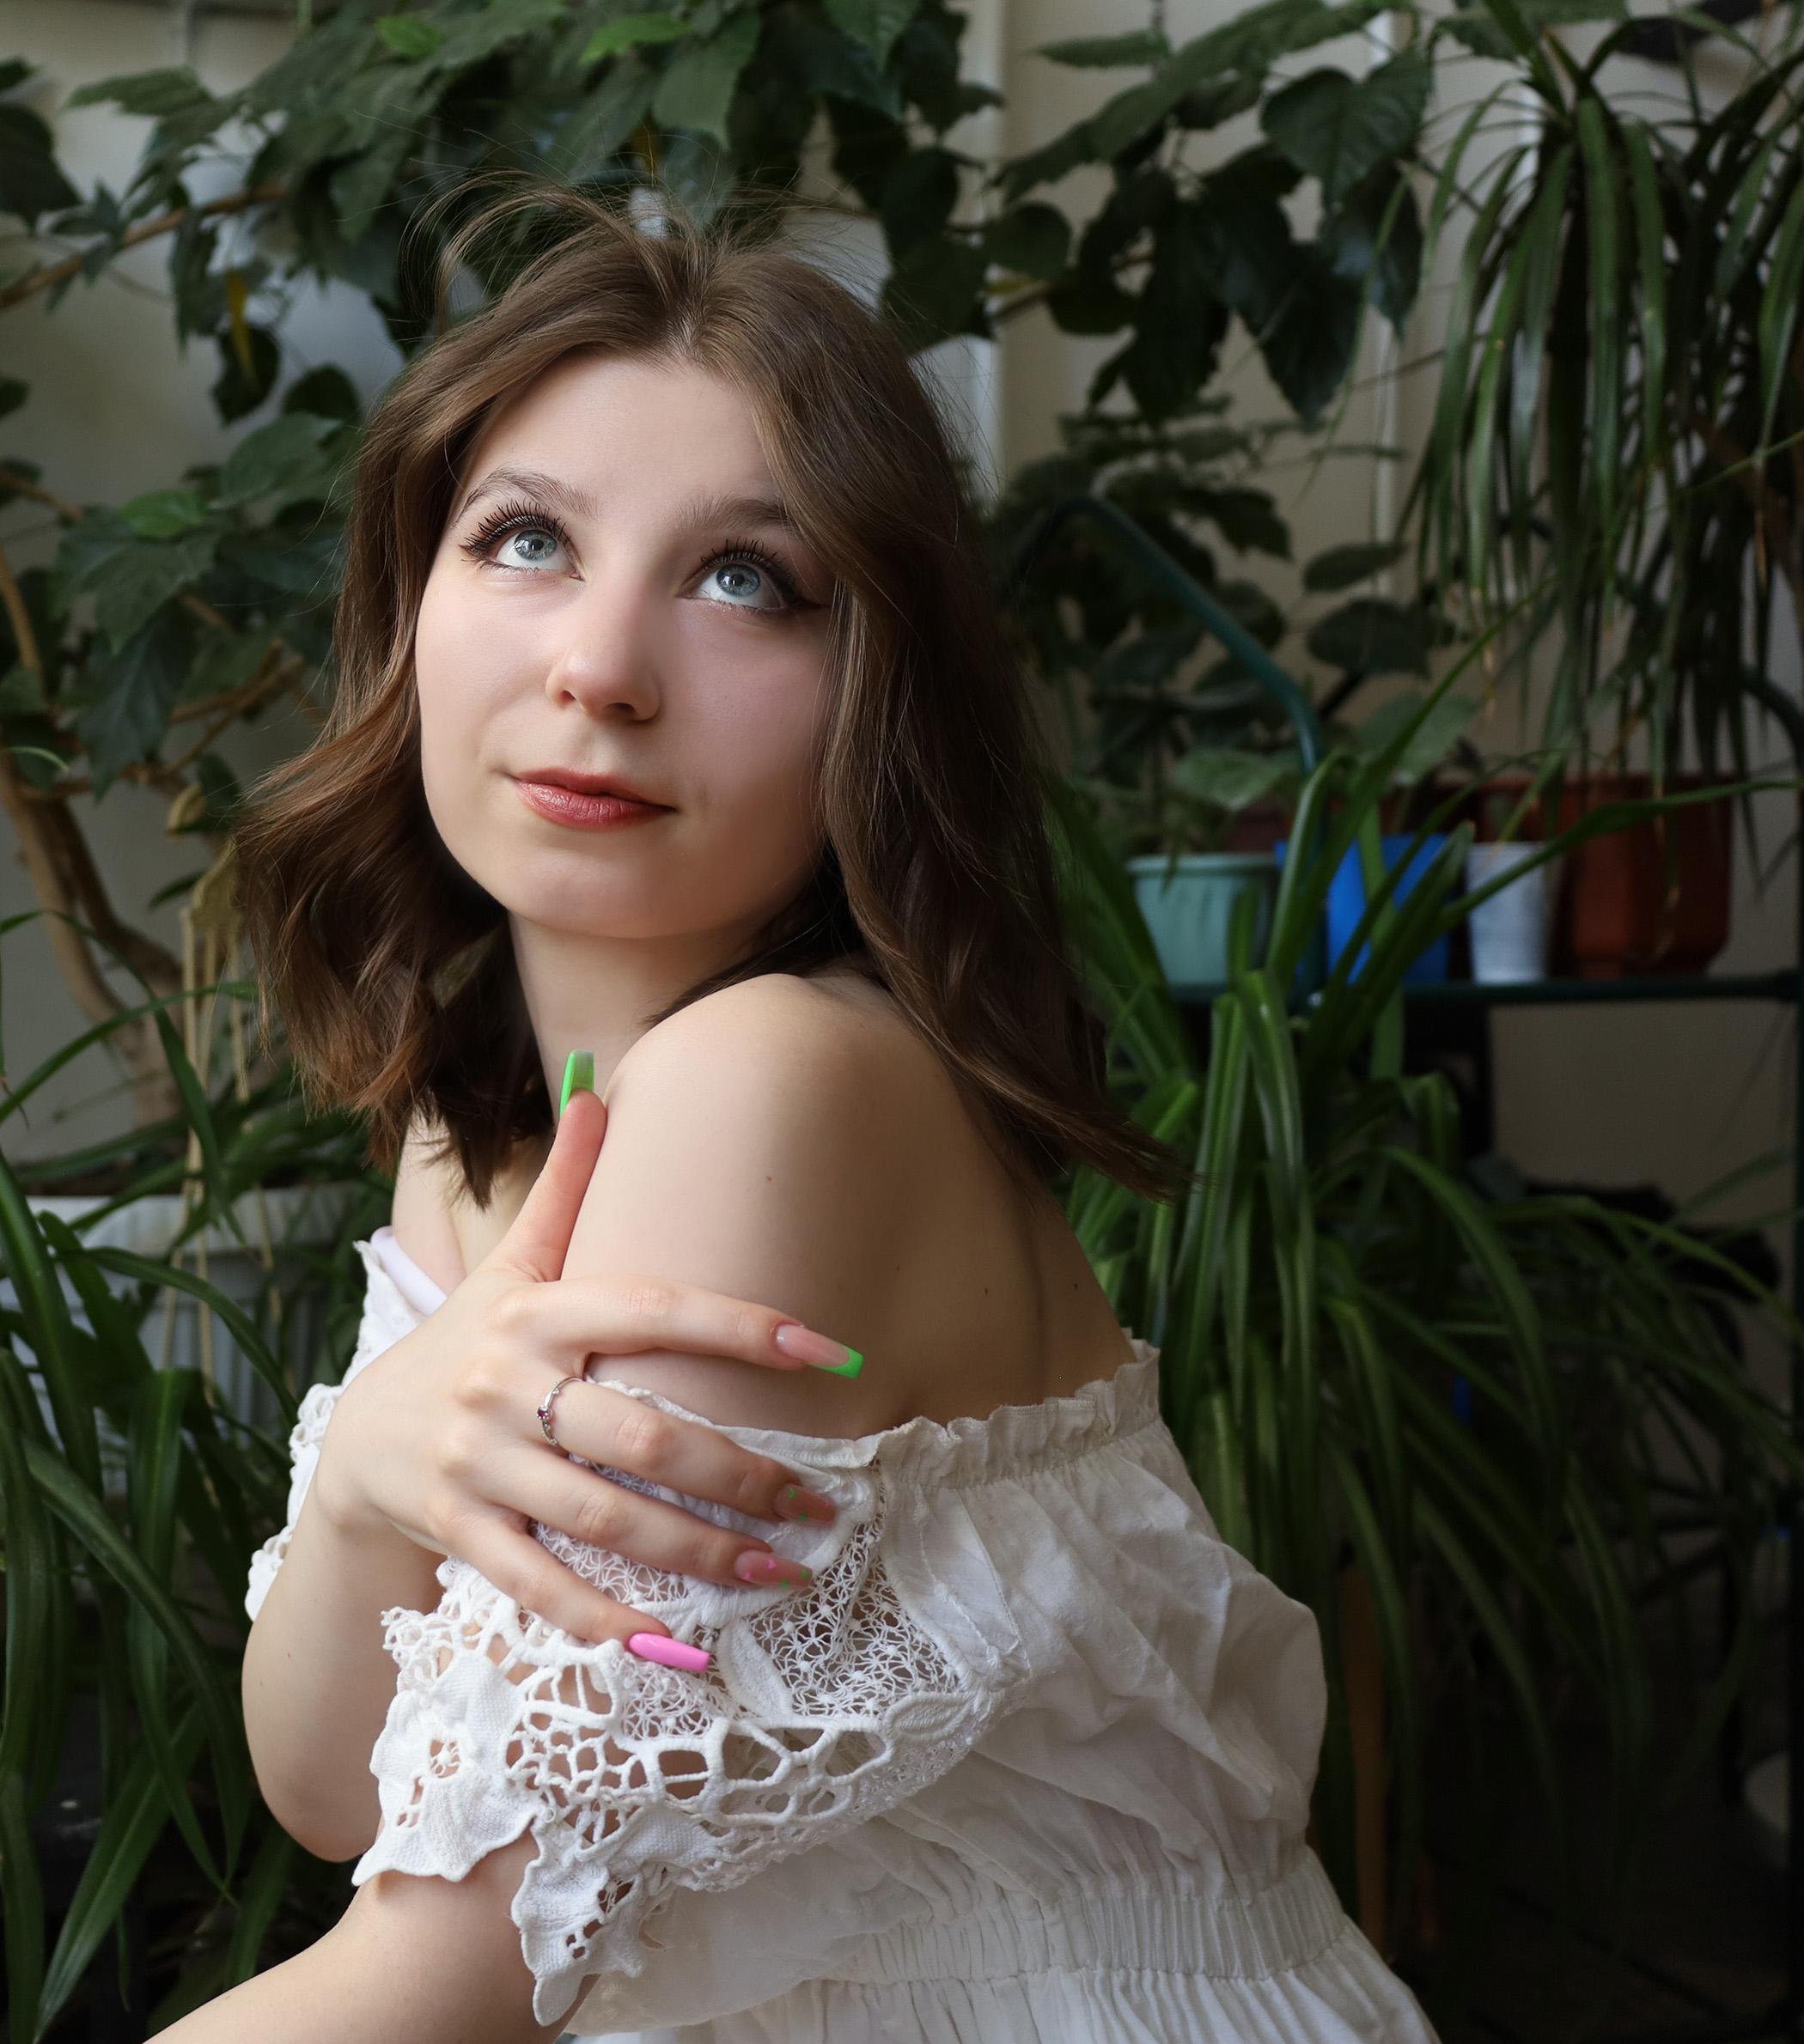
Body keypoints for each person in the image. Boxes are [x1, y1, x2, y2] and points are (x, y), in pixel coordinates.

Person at [168, 179, 1441, 2044]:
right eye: (525, 539)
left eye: (743, 580)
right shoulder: (481, 1125)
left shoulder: (775, 1082)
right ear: (410, 606)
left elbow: (463, 1959)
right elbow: (345, 1801)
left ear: (877, 690)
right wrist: (366, 1475)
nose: (599, 667)